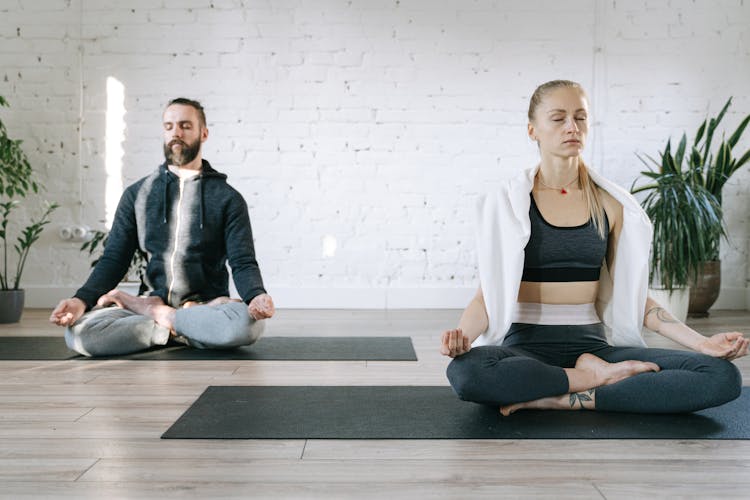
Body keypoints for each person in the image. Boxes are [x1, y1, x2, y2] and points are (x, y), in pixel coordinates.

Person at [441, 80, 747, 414]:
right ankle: (587, 380)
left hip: (596, 349)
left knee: (720, 376)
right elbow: (486, 298)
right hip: (525, 351)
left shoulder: (611, 205)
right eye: (558, 118)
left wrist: (704, 343)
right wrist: (463, 338)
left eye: (580, 117)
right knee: (466, 372)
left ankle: (562, 396)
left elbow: (634, 296)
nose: (572, 127)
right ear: (533, 130)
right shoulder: (506, 204)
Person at [50, 97, 275, 356]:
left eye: (185, 126)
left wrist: (256, 295)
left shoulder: (228, 199)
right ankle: (182, 329)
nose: (175, 133)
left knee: (248, 326)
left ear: (204, 133)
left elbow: (243, 261)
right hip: (151, 300)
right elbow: (114, 259)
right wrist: (80, 301)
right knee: (80, 335)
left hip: (204, 306)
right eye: (169, 126)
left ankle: (160, 319)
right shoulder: (137, 195)